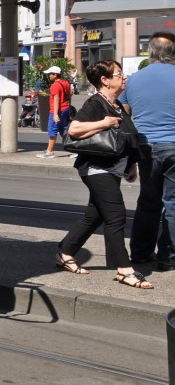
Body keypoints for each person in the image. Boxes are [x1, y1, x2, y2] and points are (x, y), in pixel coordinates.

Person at [56, 60, 151, 288]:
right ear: (105, 80)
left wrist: (132, 165)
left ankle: (65, 251)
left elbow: (128, 138)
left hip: (113, 169)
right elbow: (74, 129)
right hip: (96, 168)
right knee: (116, 214)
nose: (124, 77)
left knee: (95, 215)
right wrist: (104, 122)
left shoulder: (116, 104)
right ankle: (124, 269)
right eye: (118, 74)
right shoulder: (96, 103)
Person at [124, 32, 175, 271]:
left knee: (148, 202)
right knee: (173, 204)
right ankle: (168, 257)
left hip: (146, 146)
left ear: (150, 52)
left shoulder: (134, 79)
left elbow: (123, 114)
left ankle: (141, 253)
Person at [37, 65, 73, 159]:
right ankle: (74, 150)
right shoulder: (66, 83)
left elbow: (56, 100)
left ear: (55, 75)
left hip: (56, 111)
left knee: (52, 131)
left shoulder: (55, 86)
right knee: (64, 131)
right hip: (65, 109)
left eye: (50, 74)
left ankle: (49, 151)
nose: (49, 76)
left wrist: (55, 114)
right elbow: (69, 95)